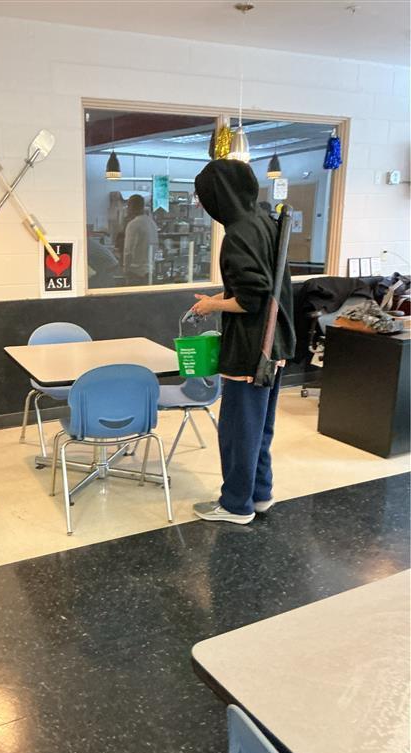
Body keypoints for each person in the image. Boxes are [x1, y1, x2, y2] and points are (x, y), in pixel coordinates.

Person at [190, 159, 295, 525]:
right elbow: (263, 284)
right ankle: (260, 494)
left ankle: (236, 504)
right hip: (275, 344)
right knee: (260, 428)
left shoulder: (236, 234)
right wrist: (222, 295)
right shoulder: (265, 223)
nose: (203, 205)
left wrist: (211, 304)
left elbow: (251, 297)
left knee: (238, 431)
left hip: (251, 350)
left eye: (204, 197)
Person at [123, 194, 158, 285]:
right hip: (150, 271)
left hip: (136, 273)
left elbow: (128, 250)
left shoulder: (133, 224)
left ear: (131, 206)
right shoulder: (152, 223)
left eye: (128, 206)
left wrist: (125, 269)